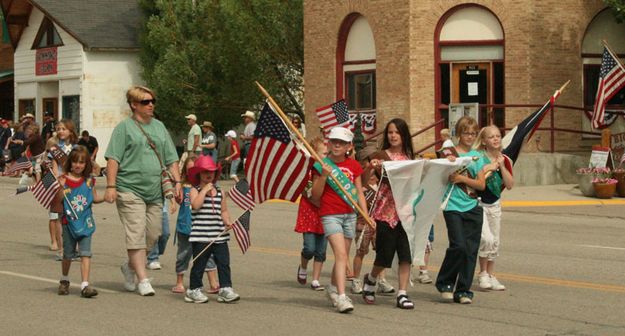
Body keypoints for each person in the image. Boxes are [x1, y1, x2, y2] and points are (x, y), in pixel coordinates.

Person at [104, 86, 182, 296]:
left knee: (155, 233)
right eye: (146, 102)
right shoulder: (124, 128)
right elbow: (113, 158)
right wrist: (111, 186)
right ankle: (143, 278)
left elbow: (171, 157)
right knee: (136, 234)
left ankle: (129, 266)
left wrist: (177, 183)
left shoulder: (159, 127)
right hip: (129, 189)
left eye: (152, 101)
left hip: (155, 191)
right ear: (134, 105)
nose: (151, 105)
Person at [311, 126, 373, 314]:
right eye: (334, 141)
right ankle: (342, 296)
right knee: (341, 255)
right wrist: (323, 176)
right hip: (330, 215)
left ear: (349, 146)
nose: (337, 145)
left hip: (350, 215)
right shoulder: (321, 165)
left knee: (343, 255)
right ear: (328, 143)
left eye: (342, 142)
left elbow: (359, 193)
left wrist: (366, 214)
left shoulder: (354, 165)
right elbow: (315, 196)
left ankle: (332, 287)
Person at [360, 118, 415, 309]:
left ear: (404, 135)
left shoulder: (410, 160)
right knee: (385, 255)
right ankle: (372, 278)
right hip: (385, 212)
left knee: (406, 255)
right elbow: (364, 180)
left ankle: (402, 293)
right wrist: (370, 167)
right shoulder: (381, 156)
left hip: (405, 213)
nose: (393, 136)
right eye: (390, 132)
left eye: (397, 132)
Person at [436, 116, 491, 304]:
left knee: (470, 250)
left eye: (473, 133)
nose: (470, 136)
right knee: (458, 245)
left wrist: (463, 179)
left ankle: (463, 290)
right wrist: (448, 162)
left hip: (472, 206)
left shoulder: (478, 156)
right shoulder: (449, 154)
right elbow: (438, 172)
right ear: (459, 133)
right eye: (466, 132)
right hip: (452, 205)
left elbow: (481, 184)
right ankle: (445, 282)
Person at [185, 155, 240, 304]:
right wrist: (204, 191)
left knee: (223, 262)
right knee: (200, 264)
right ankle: (194, 290)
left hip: (219, 235)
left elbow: (223, 211)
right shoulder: (194, 191)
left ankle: (225, 288)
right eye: (204, 172)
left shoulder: (220, 192)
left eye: (212, 172)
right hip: (201, 236)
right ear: (199, 174)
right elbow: (196, 205)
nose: (209, 175)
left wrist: (227, 221)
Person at [56, 146, 104, 298]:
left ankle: (85, 285)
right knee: (68, 254)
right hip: (69, 223)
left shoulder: (89, 181)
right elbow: (58, 200)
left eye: (82, 162)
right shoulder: (64, 179)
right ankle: (64, 280)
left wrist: (106, 198)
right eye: (75, 162)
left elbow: (94, 198)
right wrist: (61, 188)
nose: (78, 165)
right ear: (70, 162)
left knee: (85, 254)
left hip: (85, 222)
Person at [171, 154, 220, 294]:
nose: (192, 172)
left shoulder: (203, 187)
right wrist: (175, 198)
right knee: (183, 255)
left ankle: (213, 283)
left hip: (202, 227)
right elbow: (179, 200)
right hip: (185, 226)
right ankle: (179, 282)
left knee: (208, 254)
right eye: (189, 169)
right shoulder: (183, 186)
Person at [474, 125, 514, 291]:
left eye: (498, 136)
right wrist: (490, 167)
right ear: (484, 141)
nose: (496, 139)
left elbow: (510, 184)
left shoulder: (505, 159)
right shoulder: (478, 158)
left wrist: (502, 166)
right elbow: (478, 180)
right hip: (479, 203)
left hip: (495, 204)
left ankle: (491, 274)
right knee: (486, 239)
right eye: (491, 137)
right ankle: (482, 273)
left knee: (495, 241)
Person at [350, 147, 395, 296]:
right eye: (370, 159)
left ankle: (381, 279)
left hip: (379, 220)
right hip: (363, 222)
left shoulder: (382, 177)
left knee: (381, 252)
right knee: (361, 251)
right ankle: (356, 280)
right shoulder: (361, 179)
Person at [295, 137, 327, 291]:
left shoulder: (329, 170)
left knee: (321, 250)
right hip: (310, 213)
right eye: (324, 153)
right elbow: (308, 192)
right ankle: (303, 266)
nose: (326, 156)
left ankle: (315, 280)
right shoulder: (307, 171)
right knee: (309, 248)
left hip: (325, 214)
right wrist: (321, 203)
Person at [48, 119, 79, 257]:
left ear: (70, 131)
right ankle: (62, 249)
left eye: (63, 129)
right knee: (61, 218)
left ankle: (74, 248)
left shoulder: (76, 148)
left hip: (75, 185)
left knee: (75, 217)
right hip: (61, 184)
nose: (60, 131)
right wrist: (57, 179)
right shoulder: (55, 148)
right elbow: (54, 168)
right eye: (58, 129)